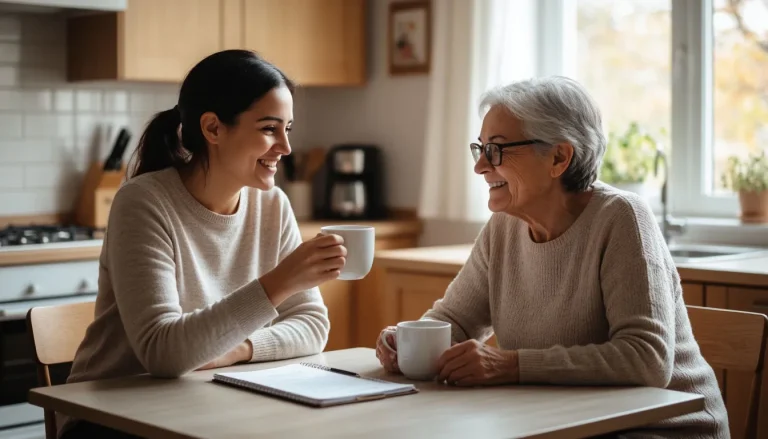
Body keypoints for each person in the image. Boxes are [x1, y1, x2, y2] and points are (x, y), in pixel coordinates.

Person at [376, 76, 728, 438]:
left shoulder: (622, 218)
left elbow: (646, 359)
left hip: (658, 430)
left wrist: (510, 365)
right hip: (563, 423)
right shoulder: (504, 226)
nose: (481, 167)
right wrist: (407, 344)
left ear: (559, 157)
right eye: (479, 149)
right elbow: (455, 322)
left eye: (496, 150)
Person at [60, 50, 345, 438]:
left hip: (207, 405)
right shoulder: (144, 202)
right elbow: (163, 353)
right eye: (268, 128)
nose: (286, 147)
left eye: (288, 129)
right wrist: (280, 282)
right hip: (111, 417)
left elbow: (312, 326)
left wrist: (238, 348)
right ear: (212, 128)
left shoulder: (272, 205)